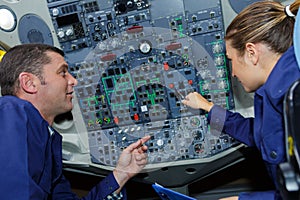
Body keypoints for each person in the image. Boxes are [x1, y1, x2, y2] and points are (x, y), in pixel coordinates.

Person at [0, 43, 150, 199]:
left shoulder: (48, 142)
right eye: (63, 72)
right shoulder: (11, 111)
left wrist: (121, 174)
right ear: (29, 83)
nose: (74, 81)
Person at [182, 1, 300, 200]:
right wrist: (208, 108)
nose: (233, 73)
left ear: (252, 53)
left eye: (231, 60)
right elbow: (257, 134)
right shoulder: (276, 92)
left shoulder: (292, 98)